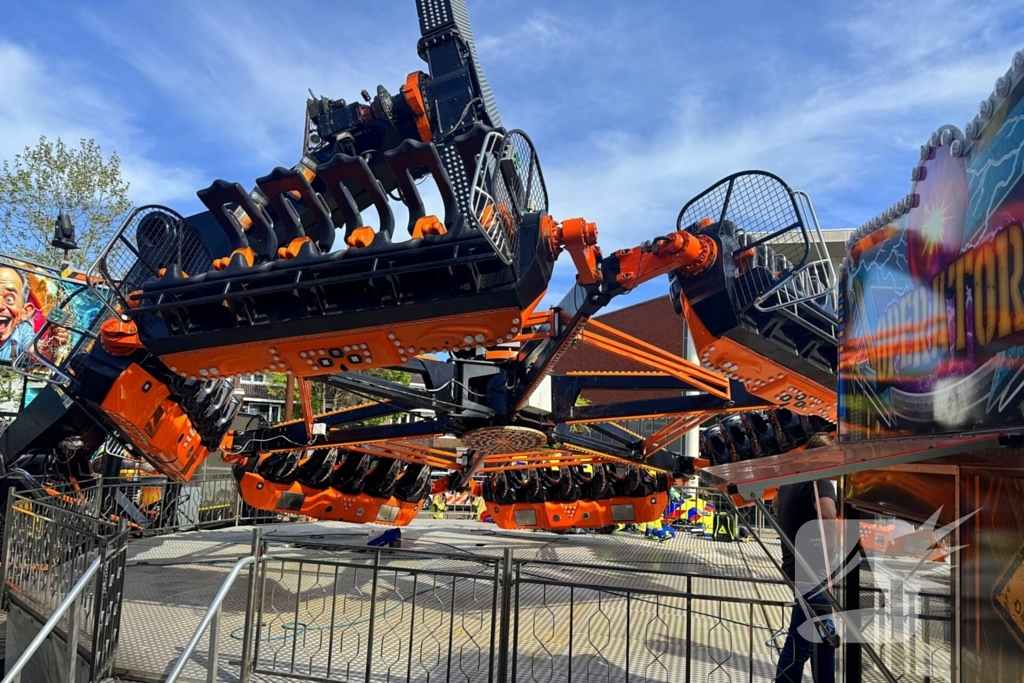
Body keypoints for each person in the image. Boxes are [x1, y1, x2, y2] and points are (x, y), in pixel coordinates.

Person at [774, 432, 838, 683]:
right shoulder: (820, 481)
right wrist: (831, 546)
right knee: (799, 643)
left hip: (794, 565)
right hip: (814, 571)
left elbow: (776, 503)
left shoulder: (790, 480)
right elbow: (827, 512)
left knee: (823, 637)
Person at [0, 265, 38, 362]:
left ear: (25, 311)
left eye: (9, 299)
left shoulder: (22, 331)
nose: (0, 306)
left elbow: (36, 352)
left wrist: (49, 347)